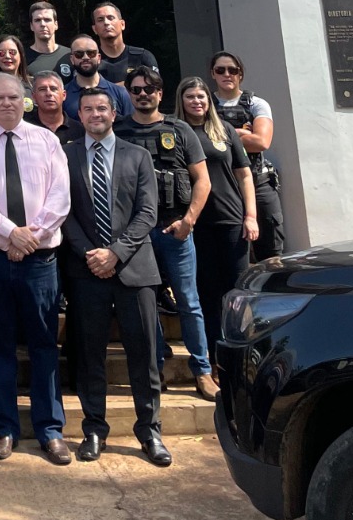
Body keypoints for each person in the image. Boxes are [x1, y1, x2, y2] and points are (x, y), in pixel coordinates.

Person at [0, 73, 72, 464]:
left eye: (13, 97)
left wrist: (30, 237)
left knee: (43, 344)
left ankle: (50, 429)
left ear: (24, 100)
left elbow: (60, 196)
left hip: (40, 260)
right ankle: (4, 428)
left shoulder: (47, 141)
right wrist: (12, 234)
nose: (7, 103)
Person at [62, 87, 170, 466]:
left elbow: (148, 212)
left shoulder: (137, 155)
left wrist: (116, 253)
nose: (95, 114)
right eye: (88, 109)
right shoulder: (66, 155)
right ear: (79, 115)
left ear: (113, 113)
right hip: (86, 270)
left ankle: (150, 430)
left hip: (135, 270)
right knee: (90, 355)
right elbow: (63, 211)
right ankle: (94, 429)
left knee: (144, 355)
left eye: (102, 108)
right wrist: (90, 254)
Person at [117, 68, 217, 400]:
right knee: (147, 305)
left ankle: (202, 370)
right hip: (138, 235)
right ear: (129, 93)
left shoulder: (180, 129)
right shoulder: (119, 131)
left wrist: (189, 221)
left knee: (189, 302)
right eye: (136, 89)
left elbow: (202, 180)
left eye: (150, 89)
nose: (143, 94)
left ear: (160, 93)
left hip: (176, 230)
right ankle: (156, 367)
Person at [176, 76, 259, 365]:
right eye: (190, 96)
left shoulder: (224, 130)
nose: (196, 101)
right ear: (181, 100)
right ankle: (215, 360)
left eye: (201, 96)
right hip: (197, 224)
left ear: (209, 100)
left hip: (231, 220)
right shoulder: (177, 132)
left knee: (237, 292)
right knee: (208, 294)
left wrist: (251, 216)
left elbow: (244, 175)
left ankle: (241, 356)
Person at [209, 51, 284, 259]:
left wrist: (220, 137)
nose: (227, 74)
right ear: (213, 73)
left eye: (232, 70)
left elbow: (261, 142)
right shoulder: (205, 105)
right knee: (228, 253)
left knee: (271, 253)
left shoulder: (256, 104)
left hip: (258, 183)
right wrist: (241, 134)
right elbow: (200, 143)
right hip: (221, 189)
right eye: (220, 70)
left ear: (240, 74)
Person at [64, 36, 134, 123]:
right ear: (72, 59)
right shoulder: (63, 95)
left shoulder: (121, 93)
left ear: (99, 58)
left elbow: (131, 126)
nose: (85, 57)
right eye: (79, 54)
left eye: (91, 53)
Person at [91, 2, 159, 84]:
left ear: (122, 24)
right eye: (100, 20)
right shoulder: (90, 61)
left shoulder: (143, 57)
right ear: (94, 29)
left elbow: (155, 88)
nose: (106, 22)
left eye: (111, 18)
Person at [27, 70, 78, 145]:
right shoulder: (24, 128)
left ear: (64, 95)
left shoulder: (79, 130)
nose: (49, 93)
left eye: (54, 89)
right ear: (33, 96)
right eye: (42, 89)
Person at [25, 2, 73, 82]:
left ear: (56, 24)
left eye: (47, 20)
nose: (43, 24)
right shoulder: (23, 58)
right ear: (31, 26)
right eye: (37, 20)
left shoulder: (70, 55)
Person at [0, 35, 34, 114]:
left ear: (21, 55)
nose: (7, 56)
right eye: (1, 53)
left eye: (12, 52)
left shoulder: (33, 85)